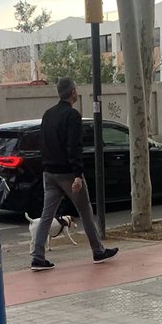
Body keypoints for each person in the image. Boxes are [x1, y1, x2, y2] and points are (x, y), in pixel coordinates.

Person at [31, 77, 118, 271]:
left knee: (47, 214)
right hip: (68, 173)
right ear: (72, 93)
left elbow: (43, 143)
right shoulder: (72, 116)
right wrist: (78, 174)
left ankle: (38, 256)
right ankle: (98, 250)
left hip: (50, 172)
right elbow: (74, 146)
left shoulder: (48, 114)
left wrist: (46, 166)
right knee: (85, 210)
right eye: (76, 90)